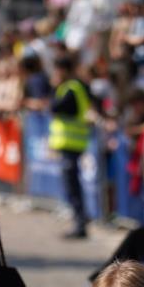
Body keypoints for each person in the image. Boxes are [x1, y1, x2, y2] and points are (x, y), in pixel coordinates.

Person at [49, 54, 91, 239]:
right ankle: (80, 220)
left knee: (73, 186)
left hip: (72, 144)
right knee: (72, 185)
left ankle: (80, 224)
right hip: (70, 144)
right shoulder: (71, 87)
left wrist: (54, 87)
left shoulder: (71, 89)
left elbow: (55, 107)